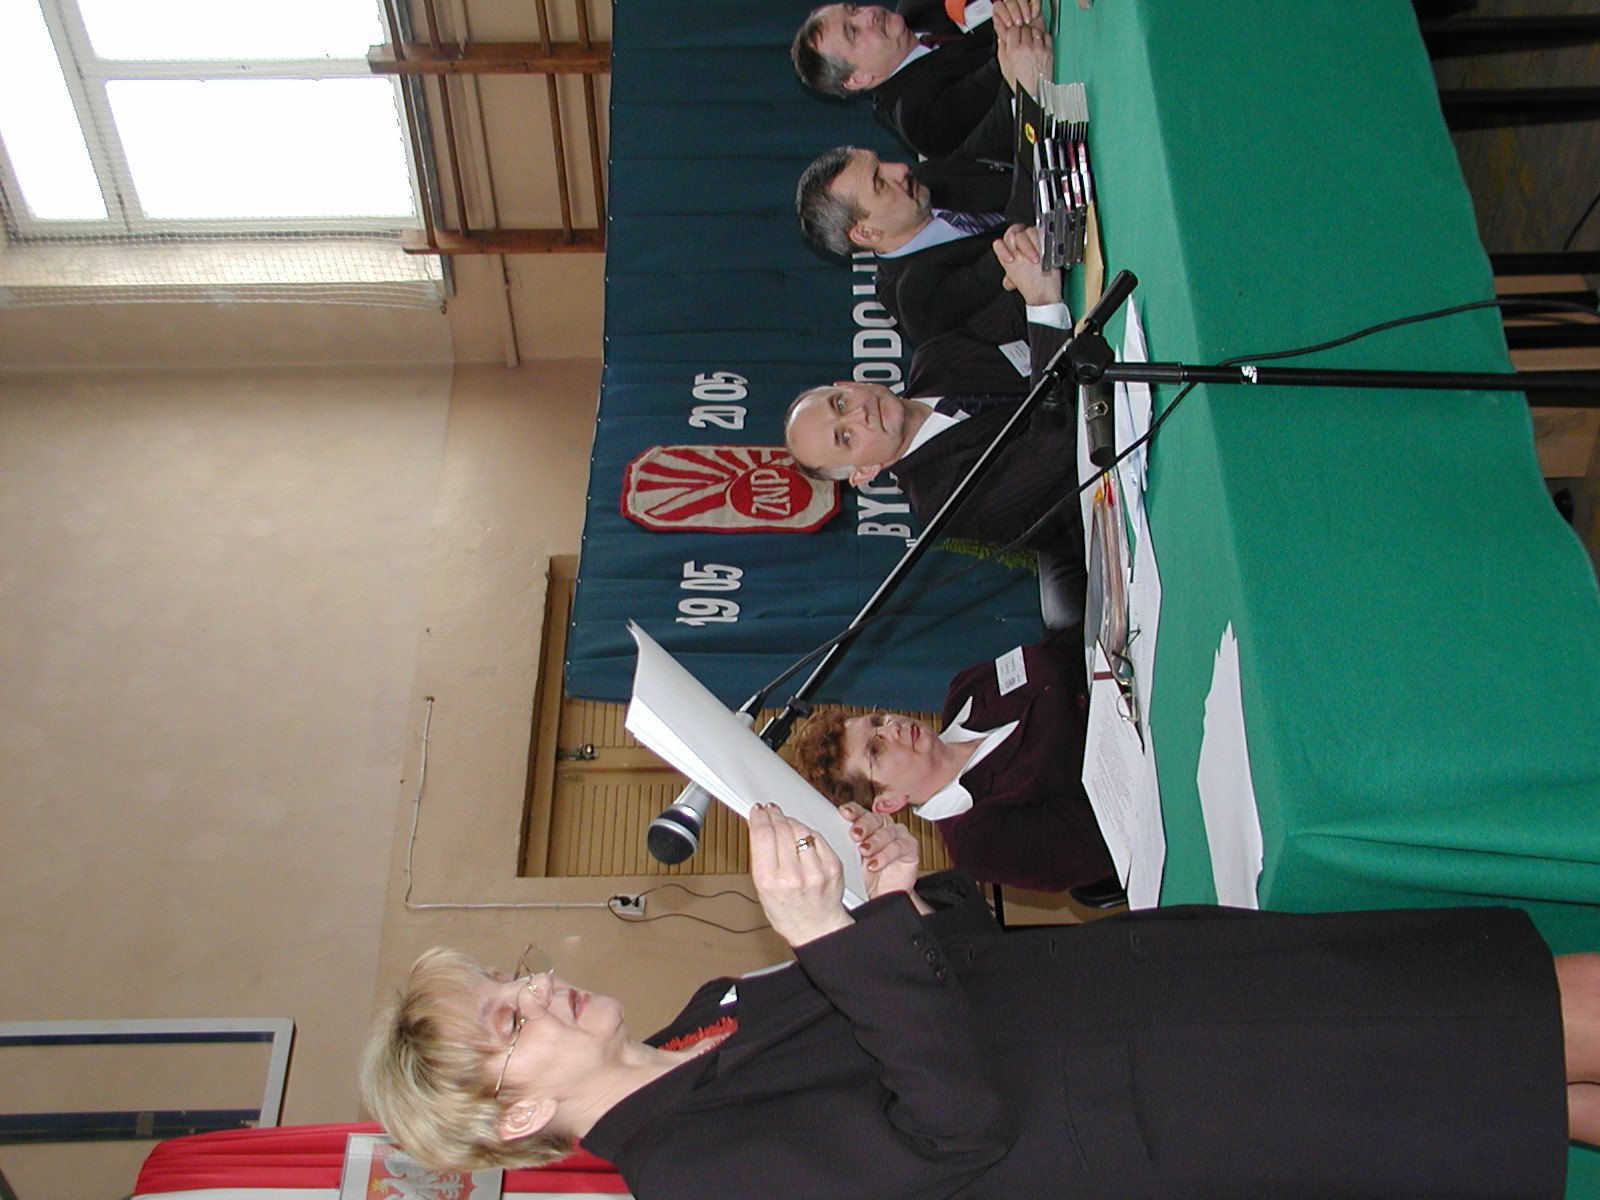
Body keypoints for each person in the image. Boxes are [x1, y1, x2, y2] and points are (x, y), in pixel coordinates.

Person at [361, 805, 1600, 1198]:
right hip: (1194, 1101)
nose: (535, 986)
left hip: (1172, 1003)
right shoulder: (694, 1177)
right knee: (1522, 1027)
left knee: (1530, 1076)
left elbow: (939, 981)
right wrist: (829, 940)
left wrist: (899, 892)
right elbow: (954, 1129)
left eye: (508, 979)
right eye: (509, 1018)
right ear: (515, 1119)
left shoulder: (708, 1006)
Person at [784, 222, 1080, 561]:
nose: (859, 414)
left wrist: (1023, 257)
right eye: (846, 437)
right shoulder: (940, 500)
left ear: (851, 385)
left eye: (841, 404)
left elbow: (1014, 311)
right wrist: (1041, 302)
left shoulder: (936, 359)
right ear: (865, 472)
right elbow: (1052, 448)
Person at [789, 624, 1116, 894]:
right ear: (888, 802)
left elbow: (1073, 644)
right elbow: (1108, 836)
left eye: (878, 720)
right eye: (876, 749)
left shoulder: (966, 690)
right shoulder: (978, 843)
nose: (892, 727)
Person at [795, 16, 1053, 349]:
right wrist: (1030, 99)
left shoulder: (922, 185)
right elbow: (1024, 245)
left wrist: (1014, 55)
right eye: (879, 182)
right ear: (866, 233)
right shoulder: (916, 296)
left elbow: (989, 142)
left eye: (881, 164)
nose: (900, 170)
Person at [790, 1, 1046, 161]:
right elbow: (1008, 74)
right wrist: (1012, 22)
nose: (868, 15)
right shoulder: (919, 118)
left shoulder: (914, 7)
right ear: (857, 79)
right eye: (854, 32)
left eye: (854, 10)